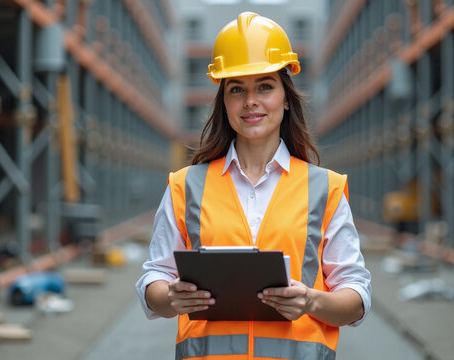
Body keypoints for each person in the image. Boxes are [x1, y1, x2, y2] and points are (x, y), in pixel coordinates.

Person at [135, 12, 371, 360]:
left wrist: (311, 300)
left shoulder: (325, 189)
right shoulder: (186, 186)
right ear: (225, 102)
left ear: (286, 97)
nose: (250, 101)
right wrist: (169, 296)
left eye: (264, 85)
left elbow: (356, 297)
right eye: (237, 89)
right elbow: (153, 278)